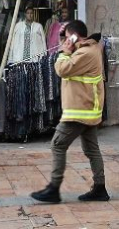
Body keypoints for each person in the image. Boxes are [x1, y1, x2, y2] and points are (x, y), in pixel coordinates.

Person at [30, 20, 109, 203]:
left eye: (67, 37)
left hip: (80, 110)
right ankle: (99, 188)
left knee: (58, 144)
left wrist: (65, 52)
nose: (65, 41)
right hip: (88, 109)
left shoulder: (85, 53)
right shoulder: (91, 49)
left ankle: (54, 189)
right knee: (92, 149)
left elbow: (63, 69)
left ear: (75, 36)